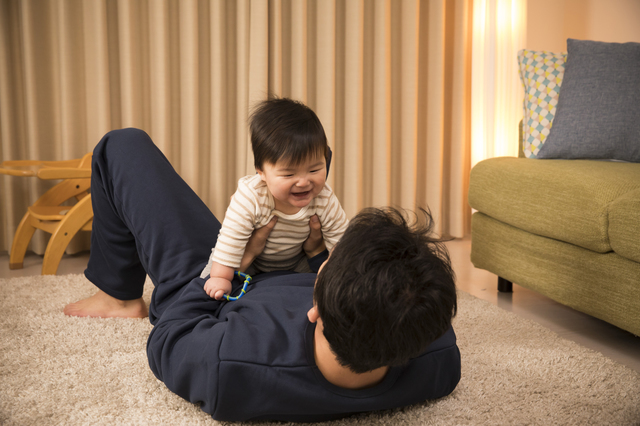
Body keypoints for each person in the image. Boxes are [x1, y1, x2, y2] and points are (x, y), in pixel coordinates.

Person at [64, 128, 461, 422]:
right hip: (284, 267)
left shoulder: (228, 364)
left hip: (211, 283)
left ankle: (118, 297)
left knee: (122, 145)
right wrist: (316, 255)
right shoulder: (438, 352)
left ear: (316, 309)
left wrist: (235, 265)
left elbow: (167, 337)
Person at [203, 97, 348, 300]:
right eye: (289, 175)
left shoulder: (324, 198)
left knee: (324, 281)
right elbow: (230, 239)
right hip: (251, 262)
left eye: (315, 169)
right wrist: (221, 276)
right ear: (261, 171)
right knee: (210, 280)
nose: (304, 182)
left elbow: (342, 242)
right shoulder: (251, 196)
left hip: (297, 262)